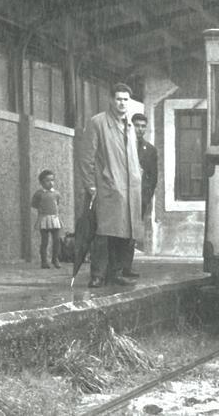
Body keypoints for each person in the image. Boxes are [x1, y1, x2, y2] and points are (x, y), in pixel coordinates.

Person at [76, 83, 143, 288]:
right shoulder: (98, 122)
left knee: (124, 233)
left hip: (130, 188)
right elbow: (86, 157)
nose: (122, 103)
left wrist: (138, 176)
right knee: (103, 233)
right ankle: (97, 275)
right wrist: (91, 186)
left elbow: (132, 156)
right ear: (111, 100)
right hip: (108, 185)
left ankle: (116, 273)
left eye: (125, 99)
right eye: (118, 99)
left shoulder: (130, 126)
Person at [121, 113, 159, 279]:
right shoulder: (121, 145)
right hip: (121, 197)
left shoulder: (150, 150)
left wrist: (147, 196)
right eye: (137, 125)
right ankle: (114, 268)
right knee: (119, 232)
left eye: (143, 126)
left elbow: (153, 176)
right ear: (130, 126)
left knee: (133, 233)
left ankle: (126, 267)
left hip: (139, 198)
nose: (140, 129)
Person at [31, 169, 62, 269]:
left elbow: (57, 203)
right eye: (47, 181)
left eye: (52, 180)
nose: (50, 183)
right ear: (41, 183)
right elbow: (34, 204)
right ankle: (44, 261)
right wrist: (42, 211)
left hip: (54, 218)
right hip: (44, 219)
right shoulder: (39, 194)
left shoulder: (56, 193)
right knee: (45, 241)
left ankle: (55, 259)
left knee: (56, 240)